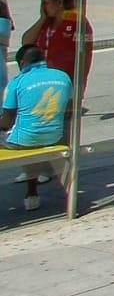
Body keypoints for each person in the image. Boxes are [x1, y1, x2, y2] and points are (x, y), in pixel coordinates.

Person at [1, 45, 71, 211]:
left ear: (23, 62)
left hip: (24, 140)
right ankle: (68, 196)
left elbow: (7, 122)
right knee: (30, 136)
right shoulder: (63, 76)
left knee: (22, 138)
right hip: (54, 136)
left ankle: (32, 193)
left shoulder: (17, 82)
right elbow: (69, 110)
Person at [19, 0, 92, 100]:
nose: (43, 7)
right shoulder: (46, 23)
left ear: (59, 2)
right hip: (43, 79)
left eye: (46, 3)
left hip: (65, 79)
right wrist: (42, 19)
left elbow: (85, 54)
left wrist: (81, 83)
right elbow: (26, 42)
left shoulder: (77, 22)